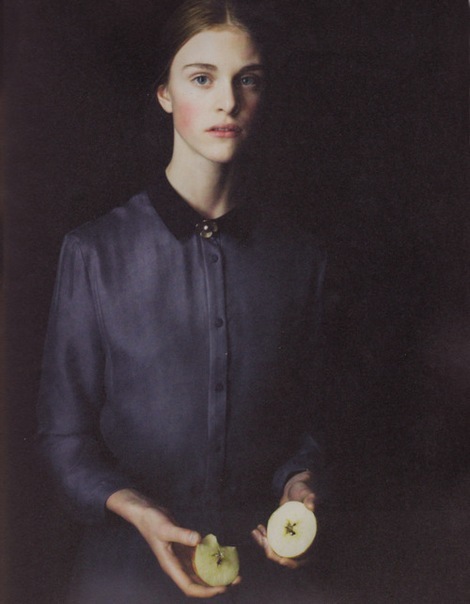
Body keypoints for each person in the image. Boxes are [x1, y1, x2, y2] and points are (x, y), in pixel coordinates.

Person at [38, 1, 327, 601]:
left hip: (262, 567)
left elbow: (312, 421)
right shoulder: (95, 252)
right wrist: (137, 509)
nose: (228, 102)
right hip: (126, 572)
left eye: (247, 80)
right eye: (202, 78)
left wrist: (301, 481)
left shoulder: (300, 257)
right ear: (165, 93)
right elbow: (63, 441)